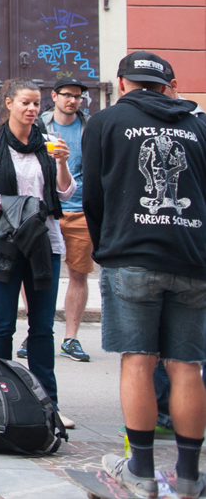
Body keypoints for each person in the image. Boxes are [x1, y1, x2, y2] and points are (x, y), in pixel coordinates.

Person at [82, 52, 206, 498]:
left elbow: (92, 193)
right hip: (192, 257)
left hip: (131, 253)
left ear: (121, 83)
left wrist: (106, 246)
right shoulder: (198, 123)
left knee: (138, 359)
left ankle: (140, 470)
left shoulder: (106, 121)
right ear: (167, 85)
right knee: (186, 365)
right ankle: (190, 476)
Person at [0, 78, 76, 420]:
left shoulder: (48, 145)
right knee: (2, 323)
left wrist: (61, 163)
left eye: (36, 104)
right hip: (1, 242)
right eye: (25, 103)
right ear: (9, 103)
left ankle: (48, 406)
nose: (32, 109)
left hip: (45, 243)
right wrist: (17, 207)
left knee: (42, 326)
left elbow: (66, 193)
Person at [44, 77, 94, 364]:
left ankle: (70, 338)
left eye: (78, 96)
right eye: (67, 95)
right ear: (55, 96)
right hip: (49, 211)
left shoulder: (90, 126)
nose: (73, 100)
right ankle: (38, 332)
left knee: (78, 274)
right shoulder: (40, 125)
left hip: (81, 211)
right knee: (39, 275)